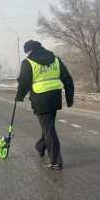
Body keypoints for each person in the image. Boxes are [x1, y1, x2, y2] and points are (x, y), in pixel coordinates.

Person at [15, 40, 74, 170]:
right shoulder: (56, 60)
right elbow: (68, 79)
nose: (26, 55)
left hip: (40, 99)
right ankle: (41, 146)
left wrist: (19, 97)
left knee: (48, 129)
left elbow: (24, 82)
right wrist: (69, 99)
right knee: (48, 126)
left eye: (27, 52)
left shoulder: (28, 62)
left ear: (29, 50)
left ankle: (56, 161)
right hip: (55, 98)